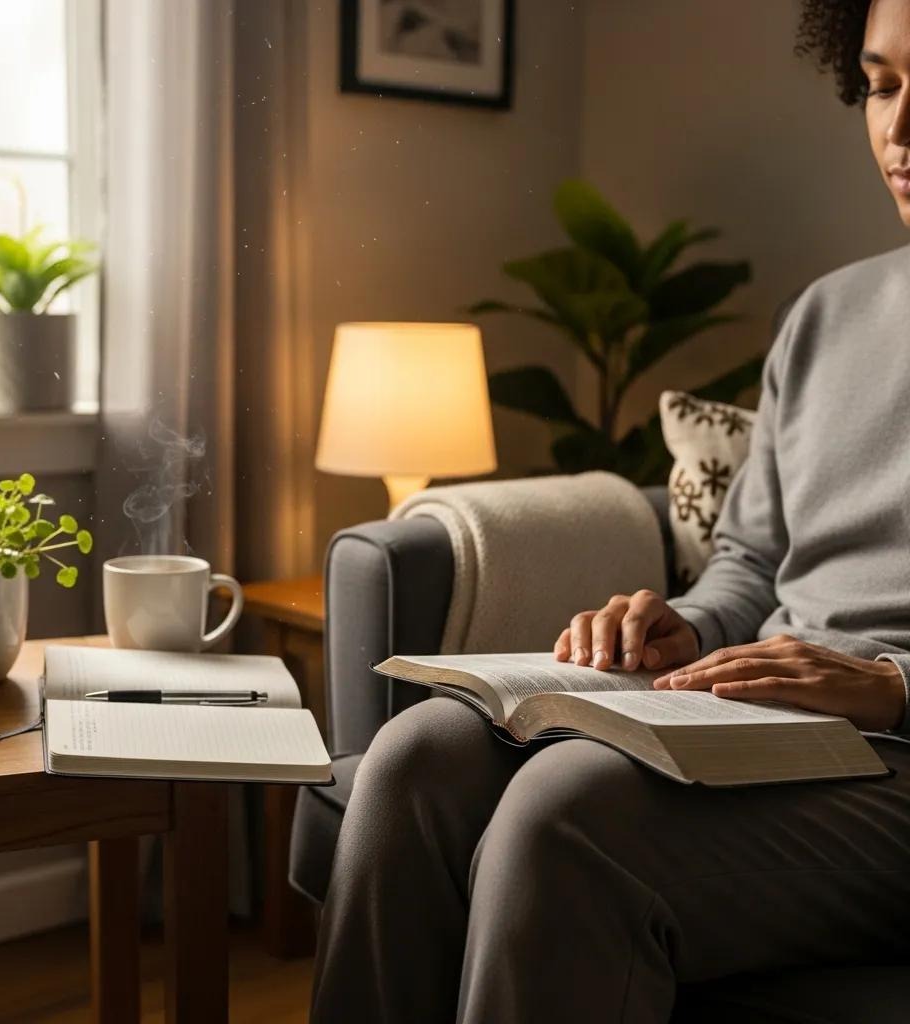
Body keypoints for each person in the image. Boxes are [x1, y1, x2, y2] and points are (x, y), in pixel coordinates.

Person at [309, 2, 910, 1020]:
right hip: (769, 725)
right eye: (883, 84)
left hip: (894, 759)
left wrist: (891, 686)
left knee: (565, 819)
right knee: (416, 759)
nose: (898, 129)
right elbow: (750, 560)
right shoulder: (826, 317)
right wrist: (692, 627)